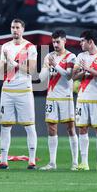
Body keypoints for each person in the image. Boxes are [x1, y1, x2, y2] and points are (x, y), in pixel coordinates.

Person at [0, 19, 38, 170]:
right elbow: (0, 72)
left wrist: (14, 62)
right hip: (8, 90)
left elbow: (31, 71)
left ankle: (32, 161)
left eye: (17, 27)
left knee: (29, 125)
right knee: (5, 126)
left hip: (24, 90)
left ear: (23, 29)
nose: (14, 30)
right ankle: (3, 161)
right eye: (12, 27)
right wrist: (7, 61)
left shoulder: (30, 47)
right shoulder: (5, 47)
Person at [38, 30, 79, 170]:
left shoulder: (71, 56)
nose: (55, 44)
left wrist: (55, 65)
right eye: (53, 42)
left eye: (58, 42)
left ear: (64, 41)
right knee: (51, 128)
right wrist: (46, 67)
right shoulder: (49, 56)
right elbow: (42, 78)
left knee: (70, 128)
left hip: (66, 97)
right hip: (51, 96)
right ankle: (52, 163)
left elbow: (68, 76)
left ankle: (75, 162)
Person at [72, 30, 97, 171]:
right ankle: (84, 162)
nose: (80, 43)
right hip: (82, 98)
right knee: (82, 128)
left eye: (82, 41)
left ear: (90, 42)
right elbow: (74, 76)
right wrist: (83, 71)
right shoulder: (80, 56)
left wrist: (88, 68)